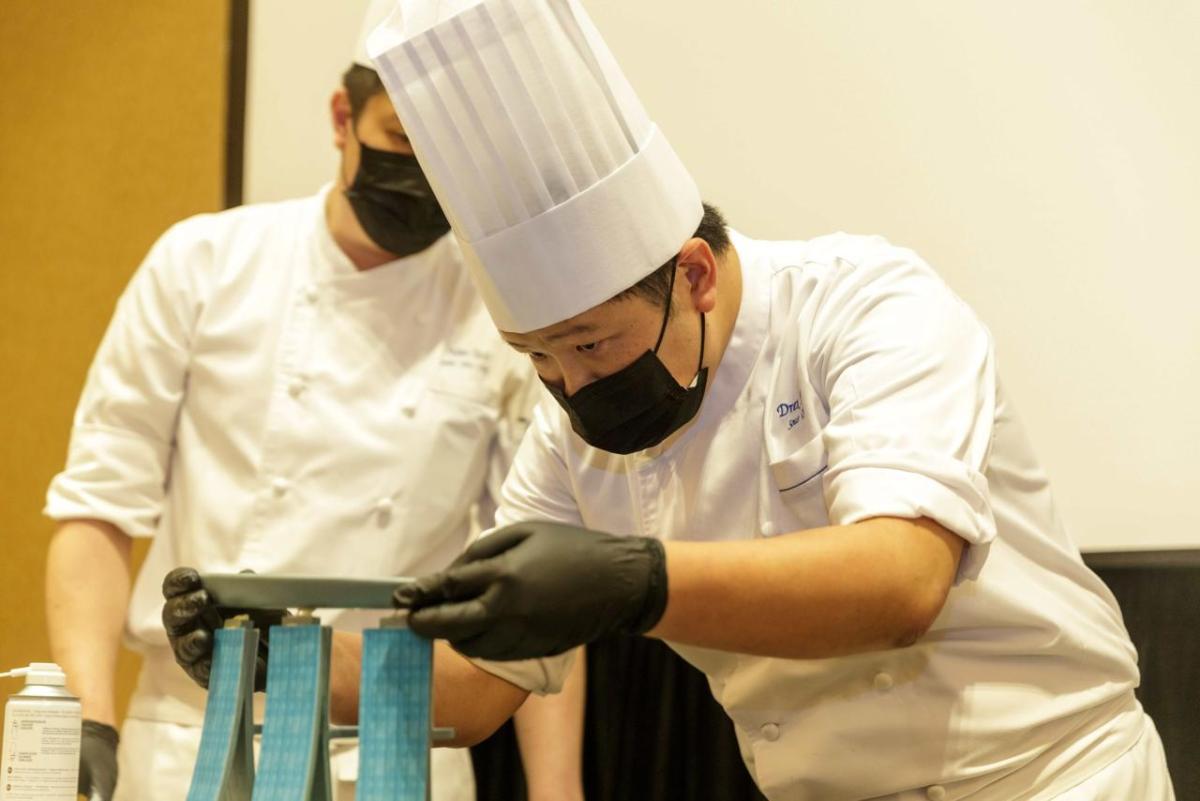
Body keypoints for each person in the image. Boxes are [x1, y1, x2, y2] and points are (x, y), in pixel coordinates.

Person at [165, 0, 1175, 799]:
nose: (572, 387)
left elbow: (902, 581)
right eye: (537, 360)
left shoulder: (867, 307)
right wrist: (276, 658)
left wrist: (637, 582)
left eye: (592, 342)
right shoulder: (569, 451)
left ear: (693, 272)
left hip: (1051, 782)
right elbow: (475, 691)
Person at [44, 3, 585, 800]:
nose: (425, 179)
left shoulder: (506, 312)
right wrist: (86, 722)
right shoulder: (204, 264)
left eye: (452, 161)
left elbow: (533, 587)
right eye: (403, 142)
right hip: (193, 736)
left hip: (401, 746)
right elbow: (98, 506)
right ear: (344, 117)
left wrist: (557, 791)